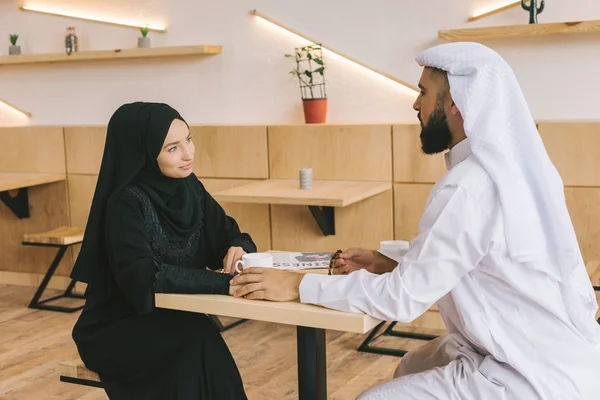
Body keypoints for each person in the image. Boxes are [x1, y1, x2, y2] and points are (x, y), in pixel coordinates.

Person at [230, 42, 600, 399]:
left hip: (527, 374)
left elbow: (402, 300)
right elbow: (485, 261)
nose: (415, 103)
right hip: (562, 358)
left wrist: (297, 285)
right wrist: (392, 264)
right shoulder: (515, 172)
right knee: (412, 365)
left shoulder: (469, 187)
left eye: (423, 92)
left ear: (456, 102)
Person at [70, 102, 256, 399]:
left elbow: (230, 234)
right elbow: (145, 276)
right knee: (196, 343)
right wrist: (226, 283)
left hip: (174, 316)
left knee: (199, 339)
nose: (188, 154)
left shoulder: (189, 186)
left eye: (189, 139)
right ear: (143, 152)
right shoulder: (125, 203)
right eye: (172, 148)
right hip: (117, 326)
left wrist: (239, 247)